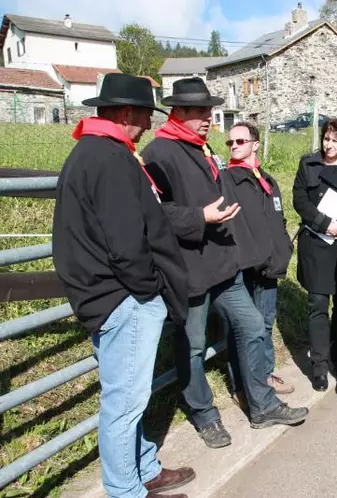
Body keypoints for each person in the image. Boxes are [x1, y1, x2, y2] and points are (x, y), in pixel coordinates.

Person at [142, 78, 308, 449]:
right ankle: (205, 416)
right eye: (200, 112)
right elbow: (152, 213)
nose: (207, 118)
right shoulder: (159, 153)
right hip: (189, 271)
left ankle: (262, 406)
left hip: (223, 265)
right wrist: (199, 217)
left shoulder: (202, 149)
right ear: (178, 112)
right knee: (194, 346)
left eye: (208, 110)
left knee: (251, 327)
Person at [52, 73, 194, 498]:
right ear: (128, 112)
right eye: (147, 115)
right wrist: (148, 291)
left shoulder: (91, 152)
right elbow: (125, 241)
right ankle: (126, 490)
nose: (149, 125)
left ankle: (144, 468)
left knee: (128, 397)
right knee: (124, 405)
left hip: (106, 295)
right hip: (123, 298)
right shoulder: (109, 158)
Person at [221, 121, 295, 404]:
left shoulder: (268, 180)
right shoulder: (227, 179)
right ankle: (241, 385)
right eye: (230, 142)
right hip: (244, 267)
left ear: (255, 143)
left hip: (270, 264)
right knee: (242, 327)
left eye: (240, 141)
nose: (235, 146)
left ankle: (264, 375)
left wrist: (284, 246)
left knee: (264, 323)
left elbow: (278, 218)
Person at [292, 119, 337, 391]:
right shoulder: (308, 164)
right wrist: (325, 224)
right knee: (317, 306)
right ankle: (319, 367)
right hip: (316, 244)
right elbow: (299, 200)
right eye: (326, 138)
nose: (328, 144)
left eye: (335, 140)